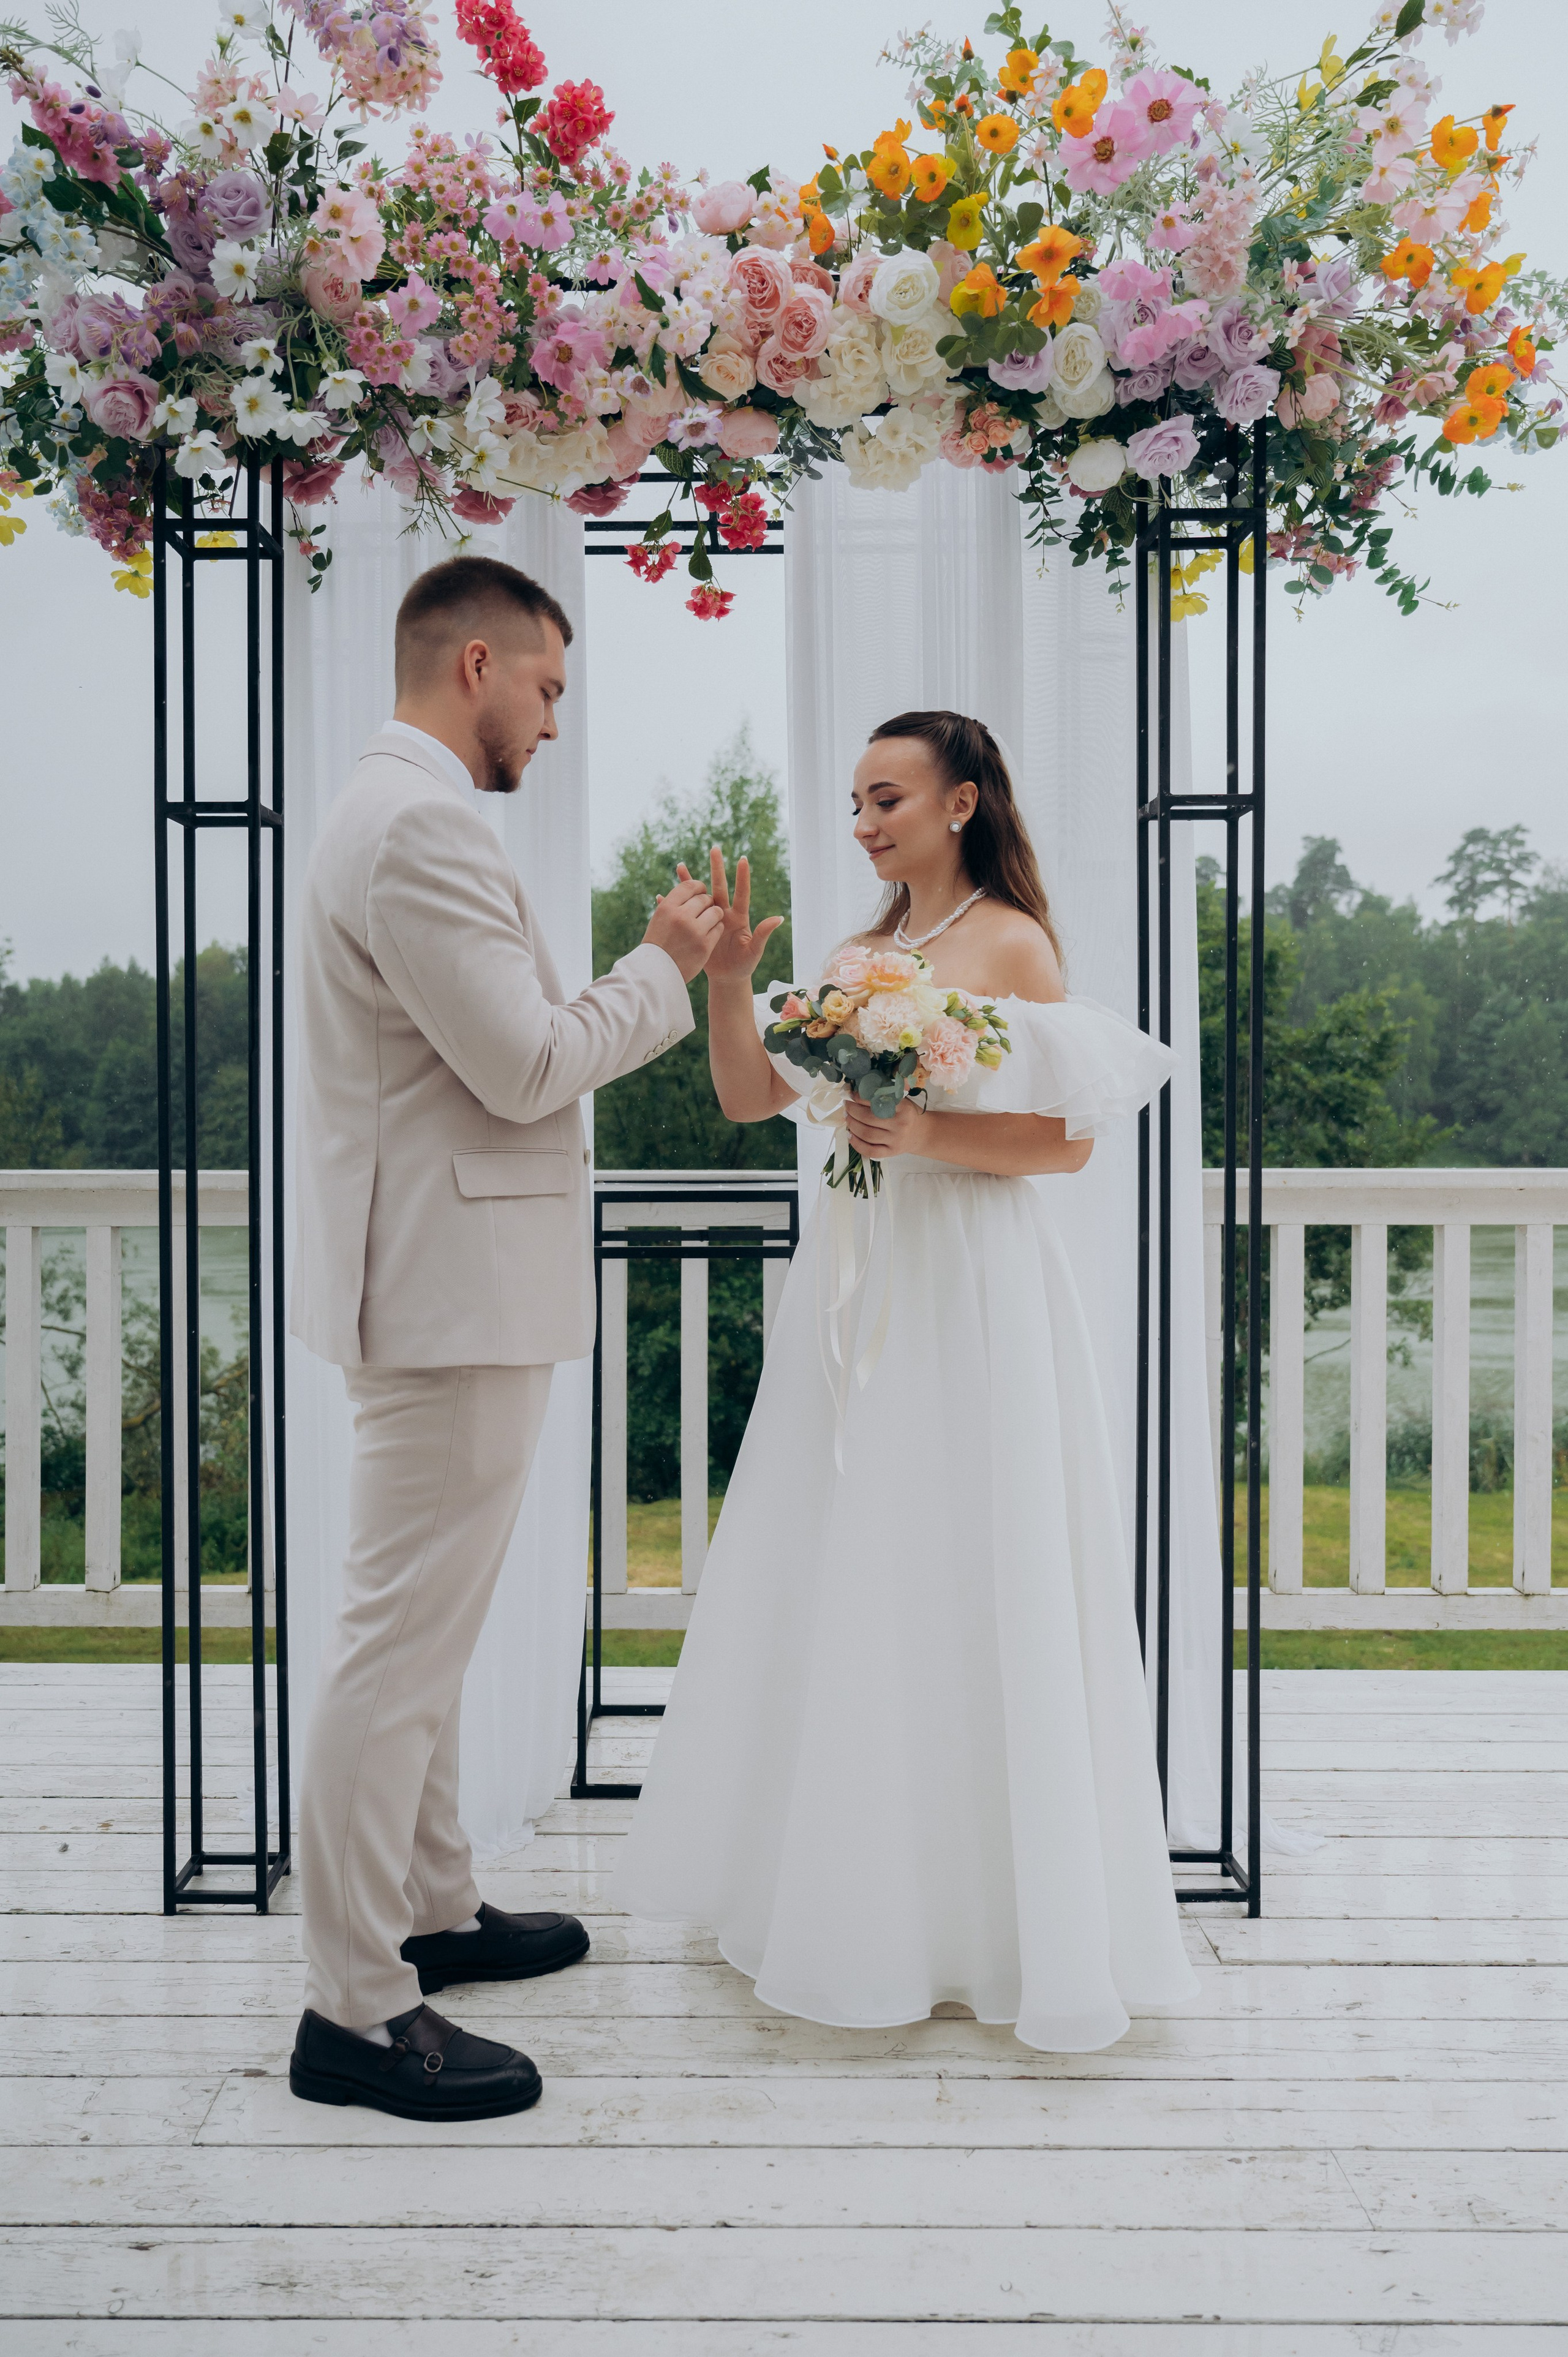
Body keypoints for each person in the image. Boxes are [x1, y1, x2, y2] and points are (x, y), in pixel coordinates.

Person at [616, 709, 1200, 2053]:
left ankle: (992, 1919)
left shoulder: (1010, 941)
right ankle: (856, 1901)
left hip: (968, 1282)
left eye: (887, 796)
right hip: (860, 1282)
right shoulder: (849, 957)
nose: (865, 820)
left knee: (970, 1562)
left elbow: (1064, 1149)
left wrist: (925, 1127)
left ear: (961, 801)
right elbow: (750, 1102)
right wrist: (726, 978)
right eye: (854, 801)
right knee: (857, 1567)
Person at [287, 554, 722, 2121]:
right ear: (475, 662)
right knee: (394, 1651)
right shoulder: (414, 829)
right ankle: (352, 2002)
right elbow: (531, 1066)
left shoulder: (402, 815)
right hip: (445, 1289)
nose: (550, 723)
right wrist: (663, 963)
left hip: (444, 1277)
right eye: (546, 689)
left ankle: (433, 1907)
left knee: (427, 1642)